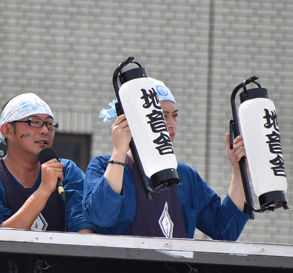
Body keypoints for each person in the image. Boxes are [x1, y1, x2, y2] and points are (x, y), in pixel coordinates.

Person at [83, 79, 249, 240]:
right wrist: (119, 151)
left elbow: (224, 229)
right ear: (134, 121)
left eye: (175, 116)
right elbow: (100, 216)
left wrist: (238, 171)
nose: (171, 124)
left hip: (177, 268)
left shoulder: (185, 176)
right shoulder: (103, 167)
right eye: (162, 116)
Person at [0, 93, 93, 233]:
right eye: (34, 122)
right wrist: (43, 191)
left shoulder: (66, 171)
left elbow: (83, 226)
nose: (45, 130)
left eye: (50, 124)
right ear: (7, 130)